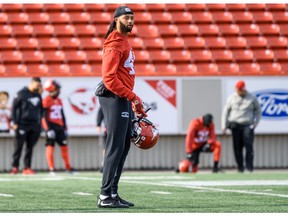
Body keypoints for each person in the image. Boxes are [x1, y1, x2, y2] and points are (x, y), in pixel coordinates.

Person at [95, 5, 147, 208]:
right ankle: (104, 196)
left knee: (124, 146)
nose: (130, 21)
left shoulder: (124, 41)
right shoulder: (115, 42)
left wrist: (132, 99)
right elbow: (109, 78)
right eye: (126, 18)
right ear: (116, 20)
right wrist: (133, 97)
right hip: (114, 97)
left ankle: (113, 193)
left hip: (122, 97)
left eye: (132, 18)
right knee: (115, 147)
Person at [221, 80, 261, 173]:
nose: (240, 92)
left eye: (241, 90)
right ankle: (240, 168)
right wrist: (224, 125)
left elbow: (258, 111)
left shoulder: (251, 98)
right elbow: (225, 112)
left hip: (247, 125)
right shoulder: (232, 98)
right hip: (236, 125)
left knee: (248, 146)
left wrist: (256, 123)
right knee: (237, 147)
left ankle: (249, 168)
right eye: (238, 90)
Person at [10, 77, 43, 175]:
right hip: (22, 125)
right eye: (37, 85)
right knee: (18, 147)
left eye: (39, 85)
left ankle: (27, 168)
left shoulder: (38, 95)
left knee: (30, 147)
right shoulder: (21, 93)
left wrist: (39, 124)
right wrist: (15, 123)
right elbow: (13, 108)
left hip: (34, 125)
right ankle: (15, 167)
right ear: (32, 83)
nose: (38, 87)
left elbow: (41, 111)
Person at [42, 79, 74, 175]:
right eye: (57, 88)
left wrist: (65, 127)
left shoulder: (59, 100)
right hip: (51, 126)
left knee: (64, 146)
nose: (59, 91)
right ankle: (51, 168)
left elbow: (62, 115)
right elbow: (43, 116)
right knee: (50, 146)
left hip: (60, 127)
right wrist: (47, 129)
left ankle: (68, 168)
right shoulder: (46, 100)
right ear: (52, 88)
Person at [96, 107, 107, 173]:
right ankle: (104, 164)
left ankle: (117, 165)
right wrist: (98, 124)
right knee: (106, 148)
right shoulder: (105, 104)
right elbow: (100, 115)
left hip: (119, 129)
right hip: (108, 129)